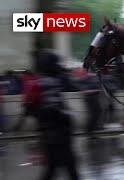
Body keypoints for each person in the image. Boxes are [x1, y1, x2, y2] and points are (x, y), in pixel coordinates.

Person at [33, 49, 79, 180]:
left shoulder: (42, 81)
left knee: (53, 167)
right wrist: (66, 116)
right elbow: (53, 107)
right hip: (57, 131)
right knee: (68, 165)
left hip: (50, 131)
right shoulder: (49, 82)